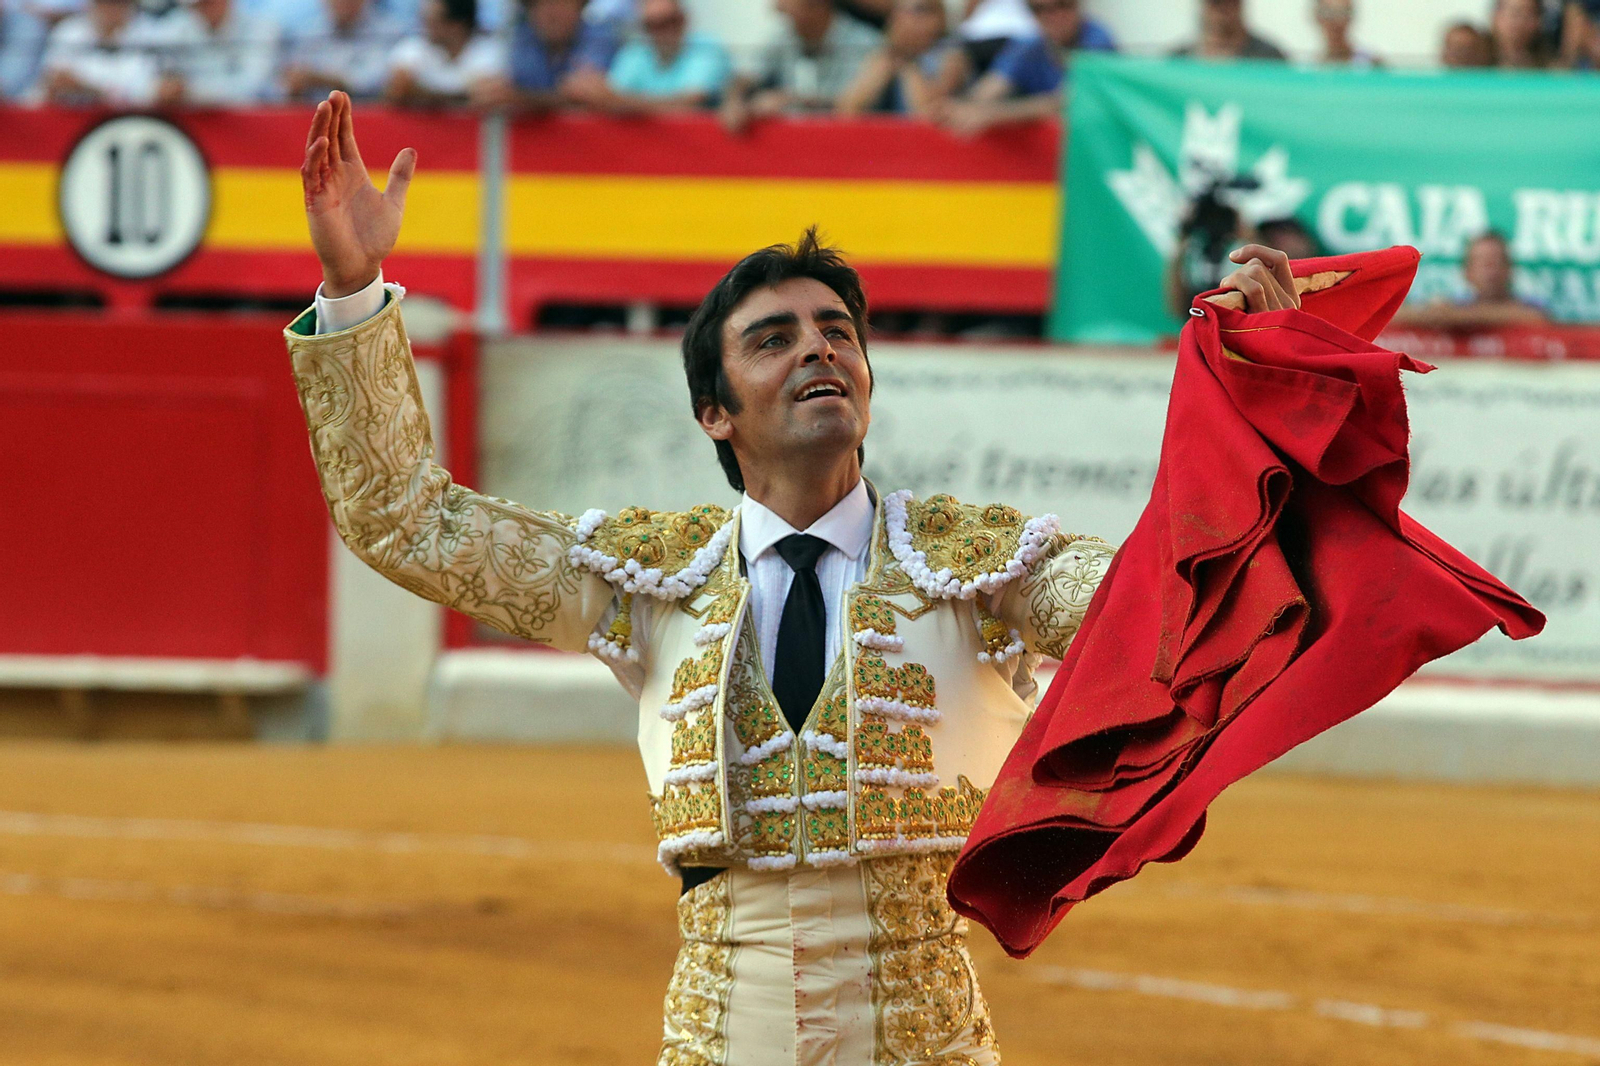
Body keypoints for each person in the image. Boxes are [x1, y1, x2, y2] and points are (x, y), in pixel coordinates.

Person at [290, 90, 1299, 1064]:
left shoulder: (985, 565)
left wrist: (1263, 393)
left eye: (836, 331)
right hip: (721, 1035)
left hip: (925, 1040)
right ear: (714, 413)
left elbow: (1172, 601)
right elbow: (406, 519)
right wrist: (352, 291)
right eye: (773, 339)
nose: (818, 348)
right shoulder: (646, 578)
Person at [939, 0, 1114, 137]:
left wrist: (992, 115)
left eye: (1062, 4)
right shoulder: (1030, 45)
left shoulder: (1095, 39)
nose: (1052, 15)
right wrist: (953, 109)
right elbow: (988, 90)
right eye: (1038, 8)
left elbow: (1068, 100)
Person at [720, 0, 880, 131]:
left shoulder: (863, 42)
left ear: (817, 5)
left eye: (788, 4)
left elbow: (849, 105)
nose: (778, 8)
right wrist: (734, 101)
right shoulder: (785, 35)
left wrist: (789, 100)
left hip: (846, 145)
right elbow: (746, 74)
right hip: (793, 145)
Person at [571, 0, 729, 113]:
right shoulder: (635, 52)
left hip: (698, 148)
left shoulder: (705, 48)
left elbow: (691, 102)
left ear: (684, 19)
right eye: (652, 25)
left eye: (670, 21)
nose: (663, 31)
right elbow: (612, 95)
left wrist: (618, 102)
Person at [471, 0, 616, 112]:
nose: (551, 14)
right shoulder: (523, 39)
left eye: (559, 3)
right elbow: (515, 85)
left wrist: (519, 98)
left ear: (579, 6)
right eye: (541, 4)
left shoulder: (600, 37)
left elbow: (583, 96)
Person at [1391, 230, 1547, 330]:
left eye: (1496, 261)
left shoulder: (1529, 306)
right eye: (1482, 262)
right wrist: (1431, 315)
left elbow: (1536, 319)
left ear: (1510, 269)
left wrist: (1458, 318)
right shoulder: (1456, 304)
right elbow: (1394, 316)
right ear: (1466, 272)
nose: (1490, 269)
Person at [834, 0, 962, 116]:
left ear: (942, 17)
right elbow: (846, 110)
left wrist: (907, 64)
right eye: (899, 12)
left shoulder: (953, 55)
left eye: (921, 10)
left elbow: (929, 114)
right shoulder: (883, 55)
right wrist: (890, 57)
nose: (911, 20)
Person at [35, 0, 167, 105]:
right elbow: (55, 84)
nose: (111, 8)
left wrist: (90, 90)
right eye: (104, 1)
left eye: (119, 2)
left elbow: (161, 91)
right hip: (76, 121)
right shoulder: (69, 32)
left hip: (138, 122)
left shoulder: (154, 34)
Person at [157, 0, 282, 105]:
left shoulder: (262, 28)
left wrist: (187, 91)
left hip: (252, 124)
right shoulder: (178, 27)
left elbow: (250, 88)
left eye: (208, 2)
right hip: (191, 125)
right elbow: (153, 75)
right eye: (197, 5)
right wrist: (163, 88)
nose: (202, 9)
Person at [282, 0, 405, 102]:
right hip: (312, 119)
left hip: (369, 119)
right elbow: (283, 84)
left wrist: (321, 80)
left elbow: (374, 85)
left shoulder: (391, 32)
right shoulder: (309, 32)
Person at [385, 0, 502, 107]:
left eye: (434, 21)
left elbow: (485, 98)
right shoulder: (414, 47)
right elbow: (397, 90)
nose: (427, 27)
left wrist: (421, 94)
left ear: (457, 25)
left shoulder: (489, 52)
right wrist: (459, 96)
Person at [1171, 0, 1287, 61]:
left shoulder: (1269, 59)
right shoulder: (1179, 60)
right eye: (1216, 2)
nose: (1224, 8)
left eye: (1230, 1)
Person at [1312, 0, 1378, 66]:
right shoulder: (1311, 66)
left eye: (1342, 13)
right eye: (1329, 13)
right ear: (1317, 17)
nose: (1336, 21)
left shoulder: (1371, 65)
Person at [1491, 0, 1552, 66]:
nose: (1521, 22)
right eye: (1515, 14)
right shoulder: (1481, 55)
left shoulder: (1550, 67)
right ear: (1497, 15)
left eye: (1529, 15)